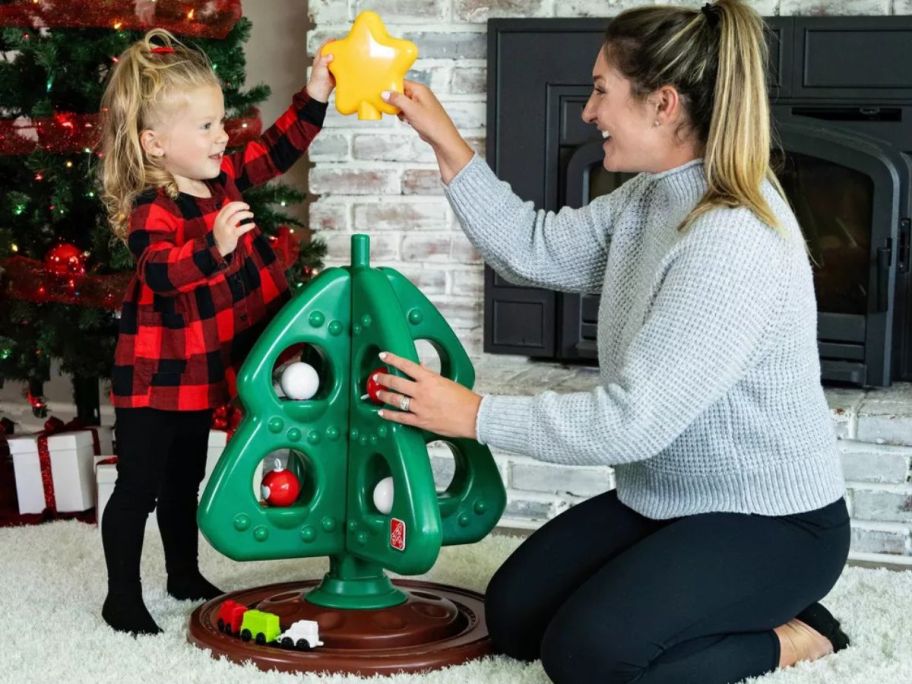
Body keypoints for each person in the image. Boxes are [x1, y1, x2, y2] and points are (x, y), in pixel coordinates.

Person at [371, 1, 850, 681]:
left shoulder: (731, 242)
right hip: (666, 499)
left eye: (601, 91)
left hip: (771, 523)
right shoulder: (654, 196)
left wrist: (474, 416)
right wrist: (448, 144)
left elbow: (631, 422)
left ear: (663, 104)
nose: (588, 112)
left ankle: (799, 634)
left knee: (589, 657)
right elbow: (534, 248)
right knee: (513, 617)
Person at [97, 28, 334, 636]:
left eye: (219, 121)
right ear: (155, 144)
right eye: (204, 127)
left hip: (200, 370)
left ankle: (182, 573)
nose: (221, 134)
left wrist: (313, 94)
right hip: (156, 376)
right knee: (139, 486)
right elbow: (159, 271)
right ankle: (121, 597)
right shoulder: (157, 204)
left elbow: (276, 151)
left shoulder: (223, 176)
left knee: (186, 479)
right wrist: (214, 246)